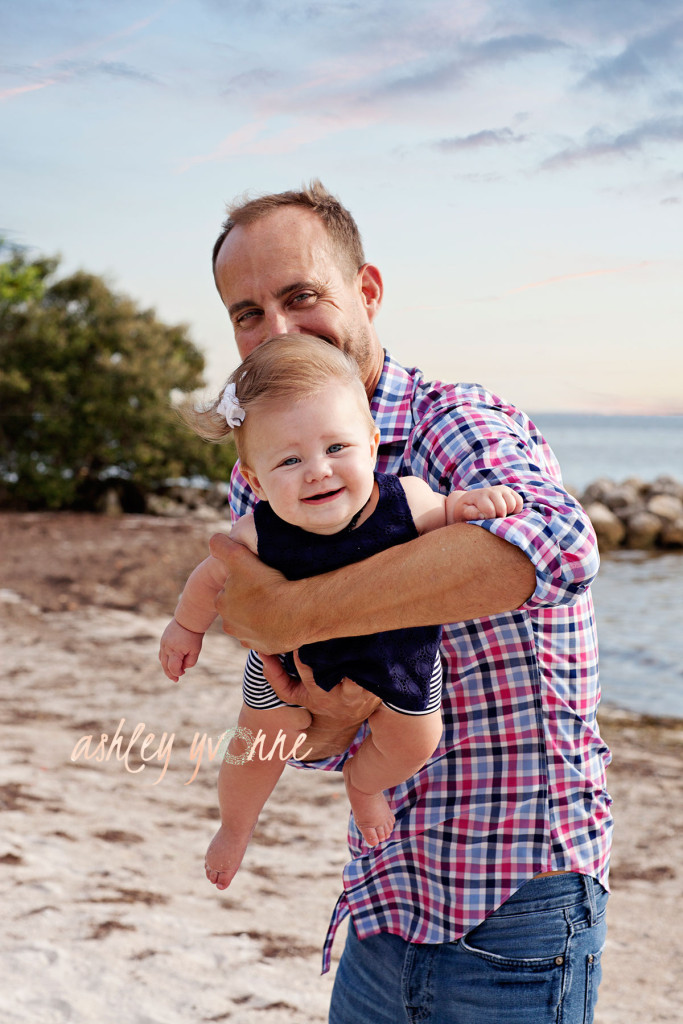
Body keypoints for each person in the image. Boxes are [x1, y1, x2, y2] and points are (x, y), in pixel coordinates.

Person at [205, 182, 613, 1024]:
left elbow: (560, 544)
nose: (276, 331)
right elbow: (311, 719)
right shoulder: (270, 469)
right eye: (248, 313)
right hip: (382, 897)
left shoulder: (450, 420)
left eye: (301, 295)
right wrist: (311, 702)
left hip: (515, 904)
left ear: (368, 292)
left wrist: (293, 613)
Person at [159, 333, 523, 862]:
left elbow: (452, 516)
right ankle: (235, 827)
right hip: (289, 664)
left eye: (337, 448)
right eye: (289, 461)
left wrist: (472, 503)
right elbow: (212, 577)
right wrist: (185, 628)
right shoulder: (259, 532)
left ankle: (364, 785)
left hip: (403, 658)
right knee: (259, 745)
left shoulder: (410, 500)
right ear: (256, 481)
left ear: (372, 444)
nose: (318, 469)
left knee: (415, 740)